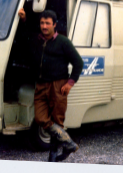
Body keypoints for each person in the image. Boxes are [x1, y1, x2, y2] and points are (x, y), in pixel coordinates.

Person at [18, 8, 83, 162]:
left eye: (47, 23)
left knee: (57, 121)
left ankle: (53, 155)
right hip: (41, 85)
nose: (44, 26)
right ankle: (68, 143)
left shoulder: (63, 42)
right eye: (42, 23)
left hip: (58, 86)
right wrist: (24, 20)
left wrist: (70, 83)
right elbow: (24, 36)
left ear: (54, 25)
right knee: (41, 119)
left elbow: (78, 63)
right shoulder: (37, 39)